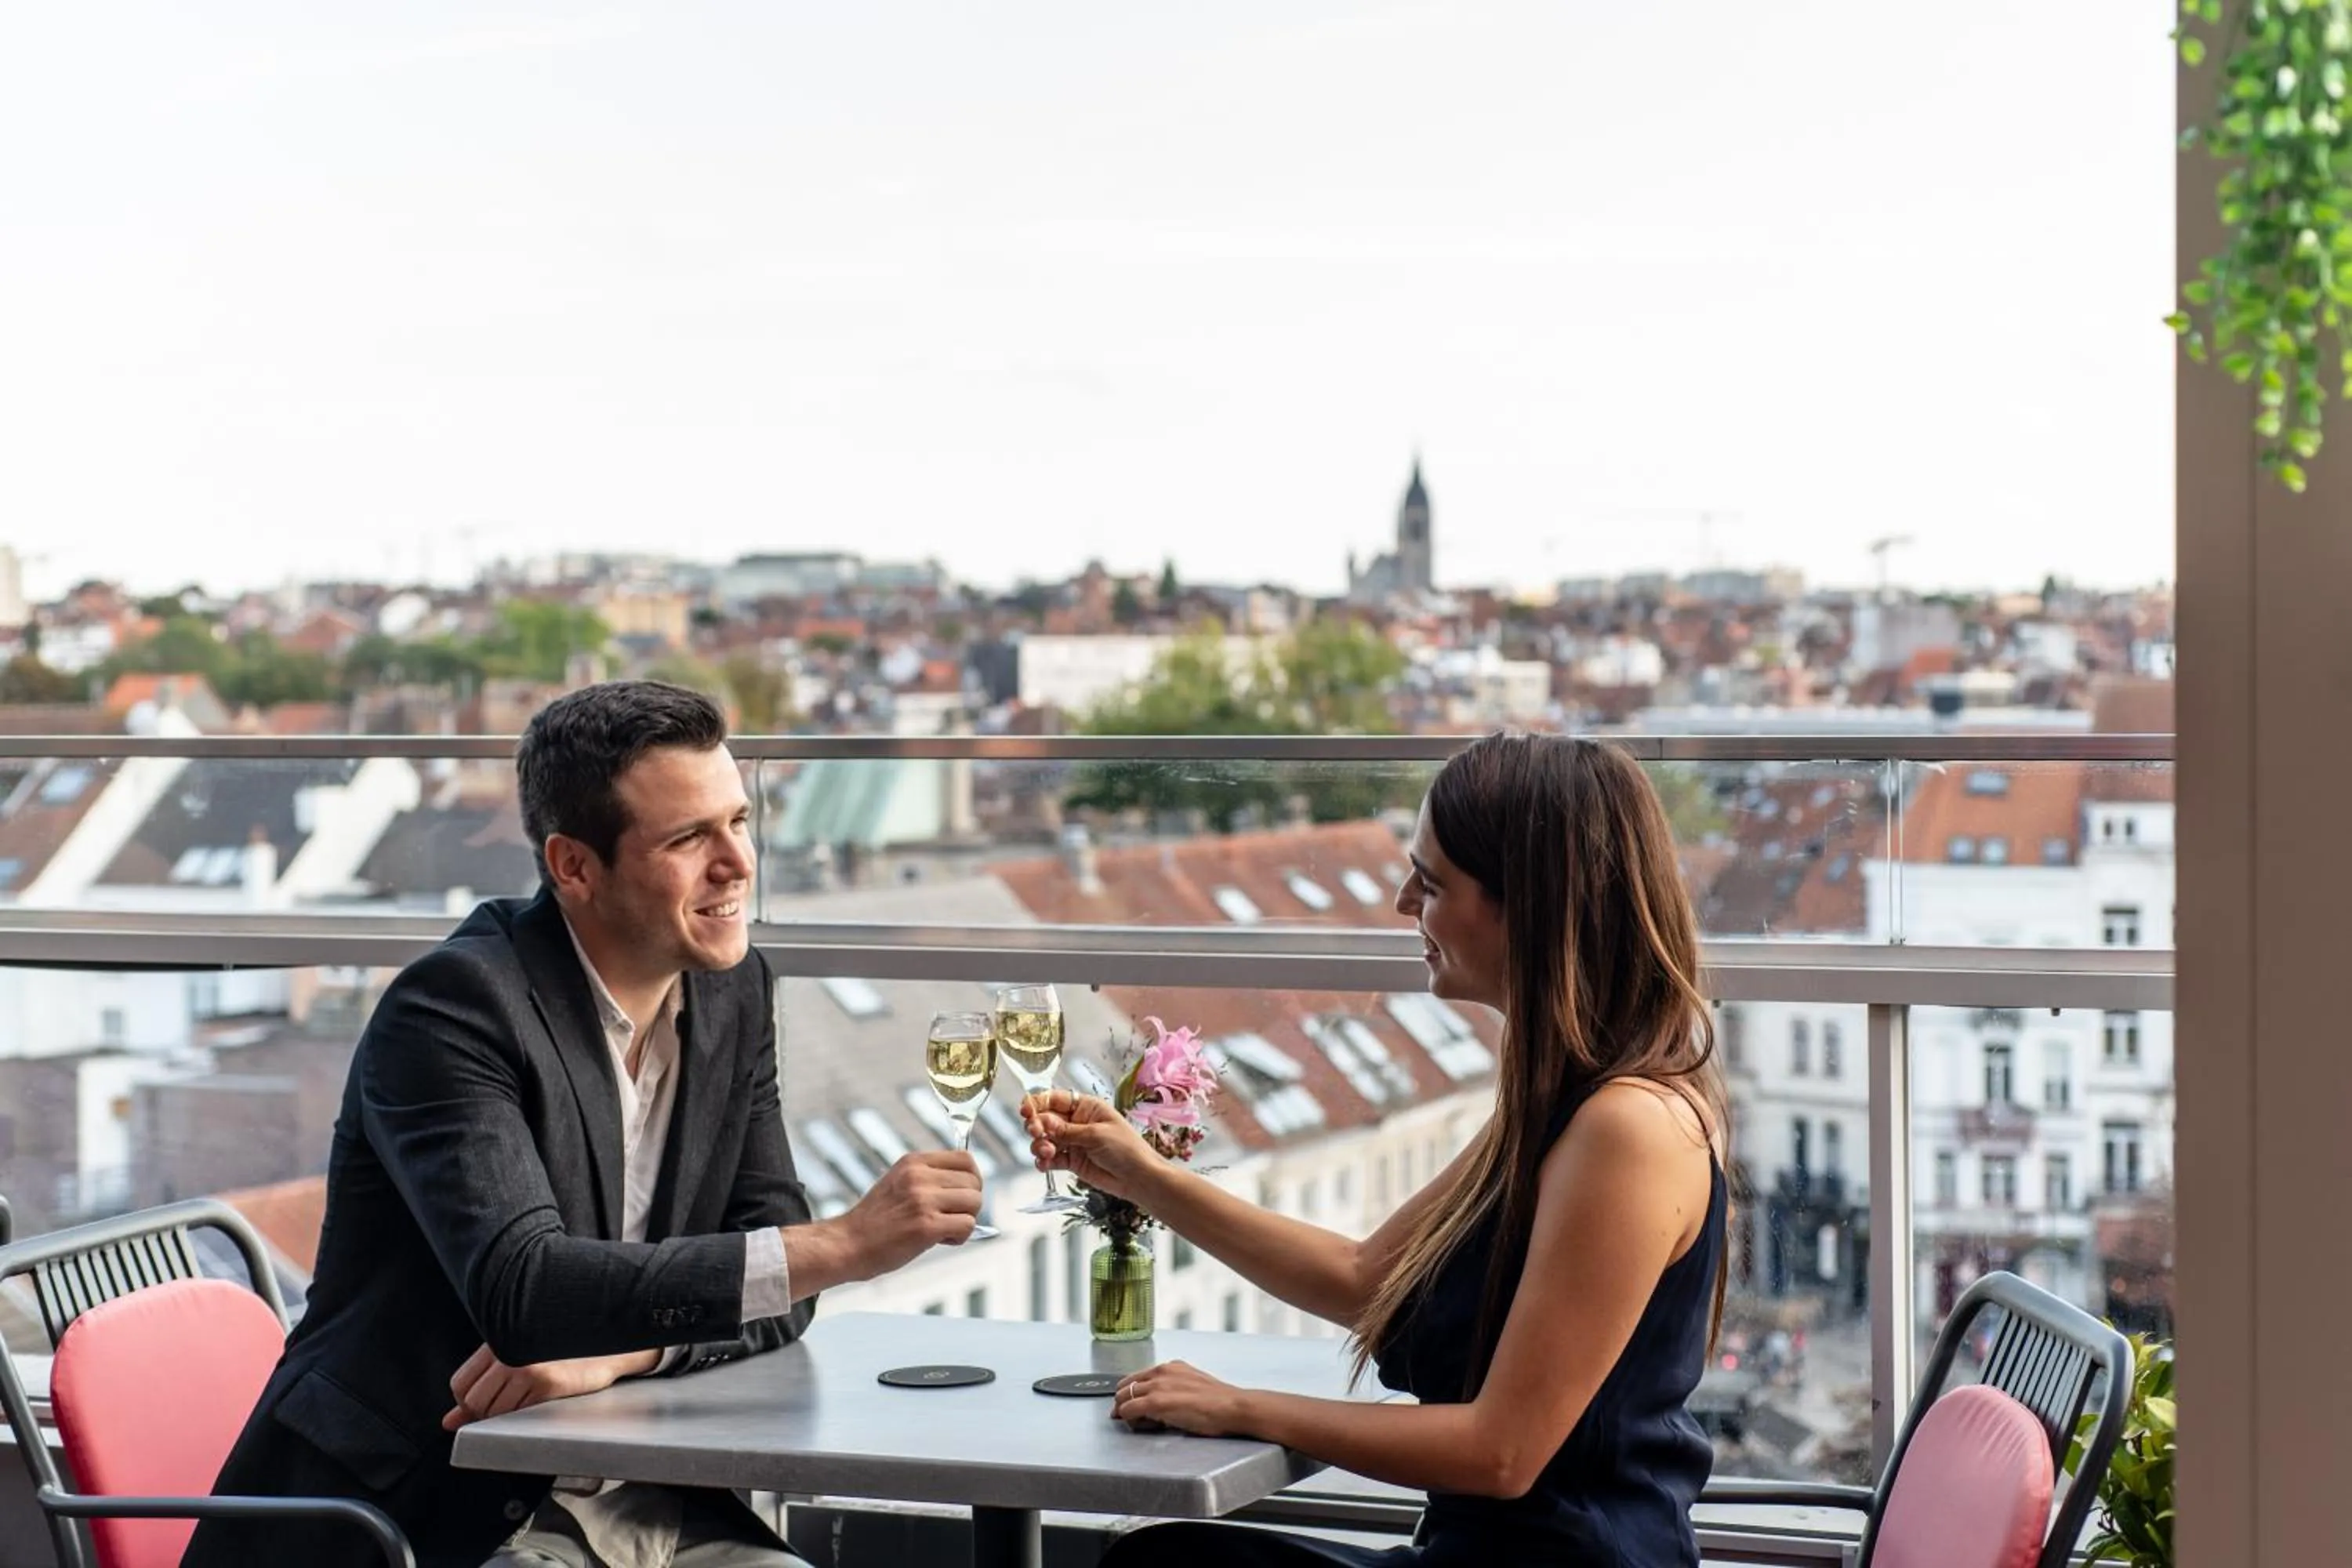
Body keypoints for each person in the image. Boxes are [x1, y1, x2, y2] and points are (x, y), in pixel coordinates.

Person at [188, 682, 984, 1568]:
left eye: (740, 821)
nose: (738, 863)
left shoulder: (732, 992)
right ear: (573, 865)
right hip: (424, 1504)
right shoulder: (455, 1007)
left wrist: (622, 1353)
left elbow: (772, 1286)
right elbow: (527, 1292)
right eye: (689, 838)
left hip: (640, 1492)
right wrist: (845, 1243)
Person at [1025, 733, 1731, 1567]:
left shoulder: (1628, 1128)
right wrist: (1141, 1173)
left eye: (1431, 883)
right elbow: (1366, 1278)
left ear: (1529, 905)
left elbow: (1501, 1451)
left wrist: (1248, 1406)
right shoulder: (1563, 1102)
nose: (1402, 901)